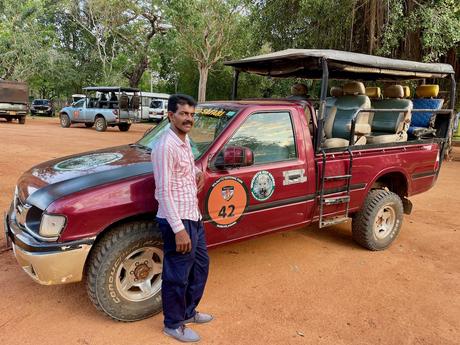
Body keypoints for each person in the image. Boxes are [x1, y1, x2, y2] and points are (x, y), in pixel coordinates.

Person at [151, 94, 212, 343]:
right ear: (170, 115)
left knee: (200, 267)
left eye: (191, 114)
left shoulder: (183, 140)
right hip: (177, 220)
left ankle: (188, 312)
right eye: (184, 114)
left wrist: (199, 172)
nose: (189, 119)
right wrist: (178, 229)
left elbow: (185, 167)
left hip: (193, 215)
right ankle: (173, 324)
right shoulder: (165, 145)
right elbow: (163, 190)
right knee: (177, 276)